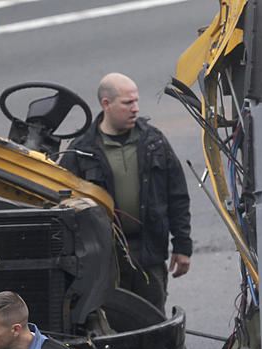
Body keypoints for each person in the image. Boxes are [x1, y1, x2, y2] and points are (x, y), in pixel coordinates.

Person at [60, 72, 192, 310]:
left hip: (149, 254)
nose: (136, 108)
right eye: (128, 102)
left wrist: (183, 247)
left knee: (153, 321)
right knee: (112, 323)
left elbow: (177, 197)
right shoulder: (80, 152)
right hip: (104, 260)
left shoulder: (154, 142)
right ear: (106, 104)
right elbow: (62, 207)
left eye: (137, 101)